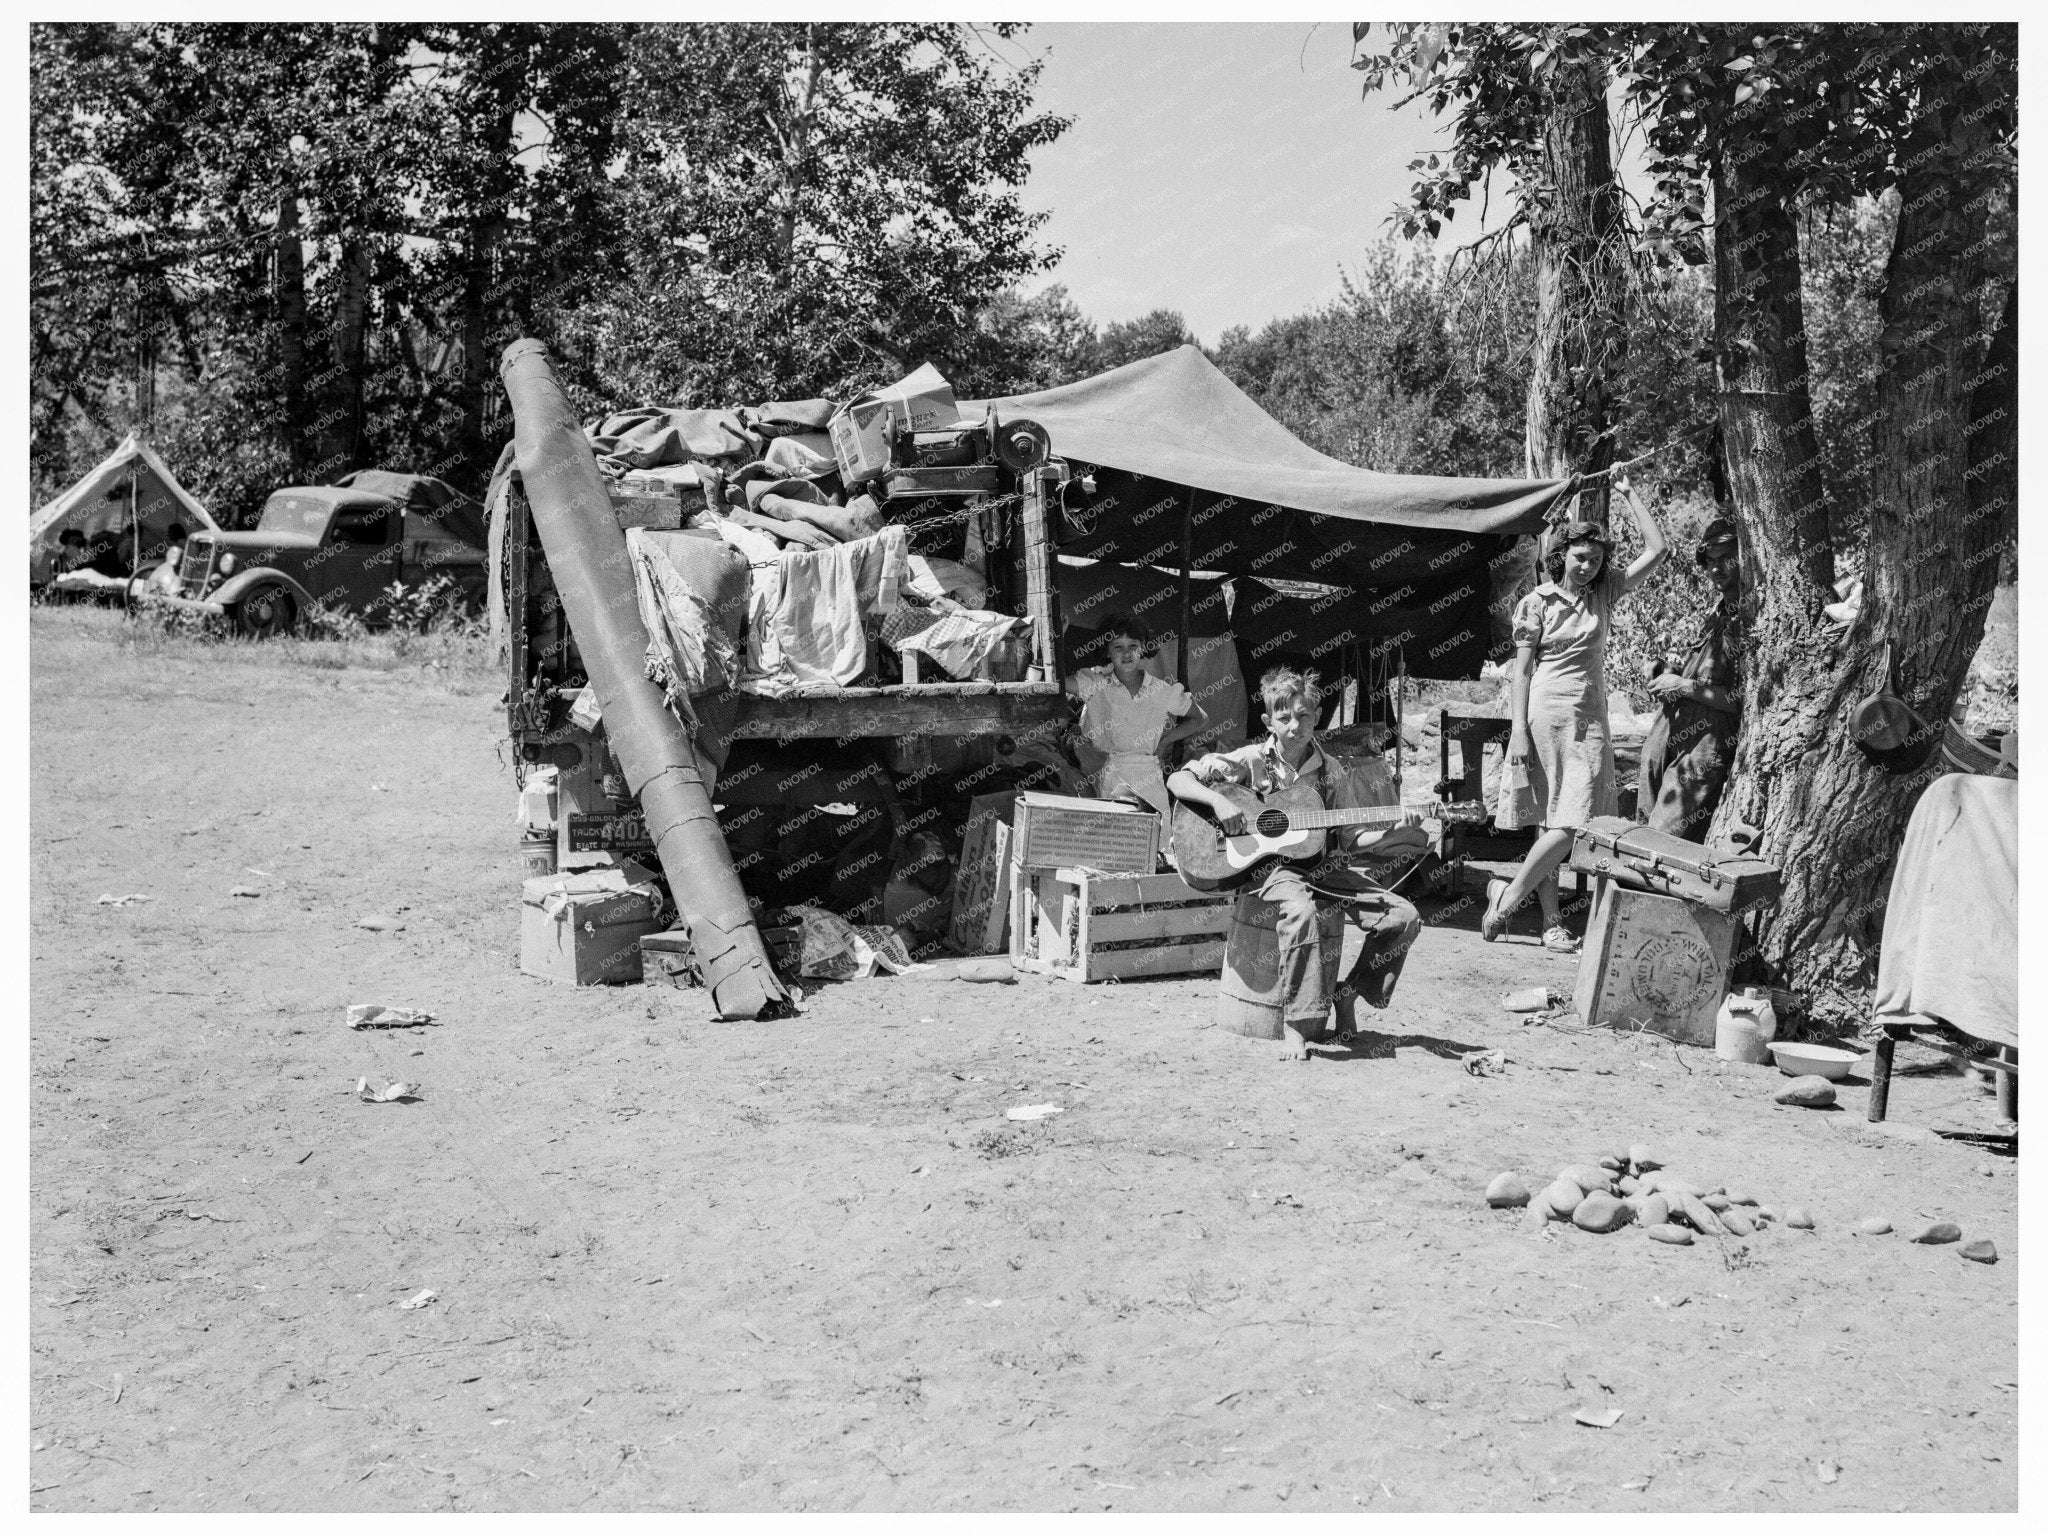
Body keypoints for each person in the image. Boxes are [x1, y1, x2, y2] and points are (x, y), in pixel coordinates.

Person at [1169, 666, 1428, 1061]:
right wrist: (1220, 802)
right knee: (1301, 912)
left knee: (1403, 916)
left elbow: (1352, 840)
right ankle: (1298, 1025)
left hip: (1326, 866)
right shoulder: (1252, 760)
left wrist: (1396, 832)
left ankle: (1349, 994)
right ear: (1268, 721)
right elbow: (1178, 780)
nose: (1295, 725)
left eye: (1303, 715)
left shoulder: (1331, 771)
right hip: (1274, 869)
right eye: (1285, 717)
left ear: (1316, 715)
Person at [1483, 474, 1668, 950]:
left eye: (1597, 559)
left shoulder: (1604, 596)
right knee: (1554, 821)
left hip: (1590, 719)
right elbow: (1520, 674)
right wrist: (1518, 732)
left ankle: (1506, 895)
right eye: (1580, 557)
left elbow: (1658, 549)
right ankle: (1549, 922)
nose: (1587, 566)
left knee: (1575, 819)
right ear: (1560, 555)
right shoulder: (1536, 603)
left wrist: (1629, 493)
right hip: (1544, 715)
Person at [1639, 518, 1742, 841]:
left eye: (1726, 558)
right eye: (1710, 561)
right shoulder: (1719, 612)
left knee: (1662, 841)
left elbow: (1744, 700)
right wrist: (1668, 673)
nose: (1716, 569)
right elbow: (1703, 675)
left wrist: (1683, 686)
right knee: (1641, 830)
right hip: (1672, 736)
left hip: (1703, 749)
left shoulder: (1751, 617)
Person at [1065, 611, 1212, 817]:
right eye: (1118, 647)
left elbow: (1200, 718)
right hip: (1105, 774)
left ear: (1142, 648)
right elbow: (1058, 683)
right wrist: (1059, 635)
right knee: (1111, 840)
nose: (1126, 654)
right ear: (1107, 651)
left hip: (1148, 775)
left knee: (1155, 840)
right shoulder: (1095, 683)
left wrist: (1165, 742)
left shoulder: (1160, 690)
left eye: (1133, 646)